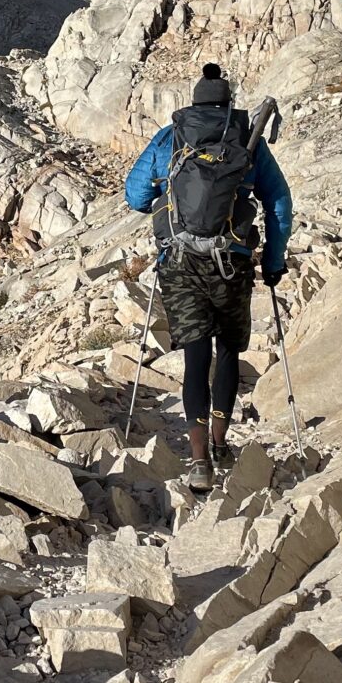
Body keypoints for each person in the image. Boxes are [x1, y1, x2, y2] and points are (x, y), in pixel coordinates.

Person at [124, 62, 292, 492]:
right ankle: (221, 443)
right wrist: (273, 260)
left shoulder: (171, 137)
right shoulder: (246, 139)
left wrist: (173, 201)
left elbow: (136, 194)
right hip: (231, 262)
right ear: (228, 102)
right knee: (229, 352)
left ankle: (199, 461)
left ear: (194, 102)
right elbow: (278, 202)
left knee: (196, 354)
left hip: (179, 263)